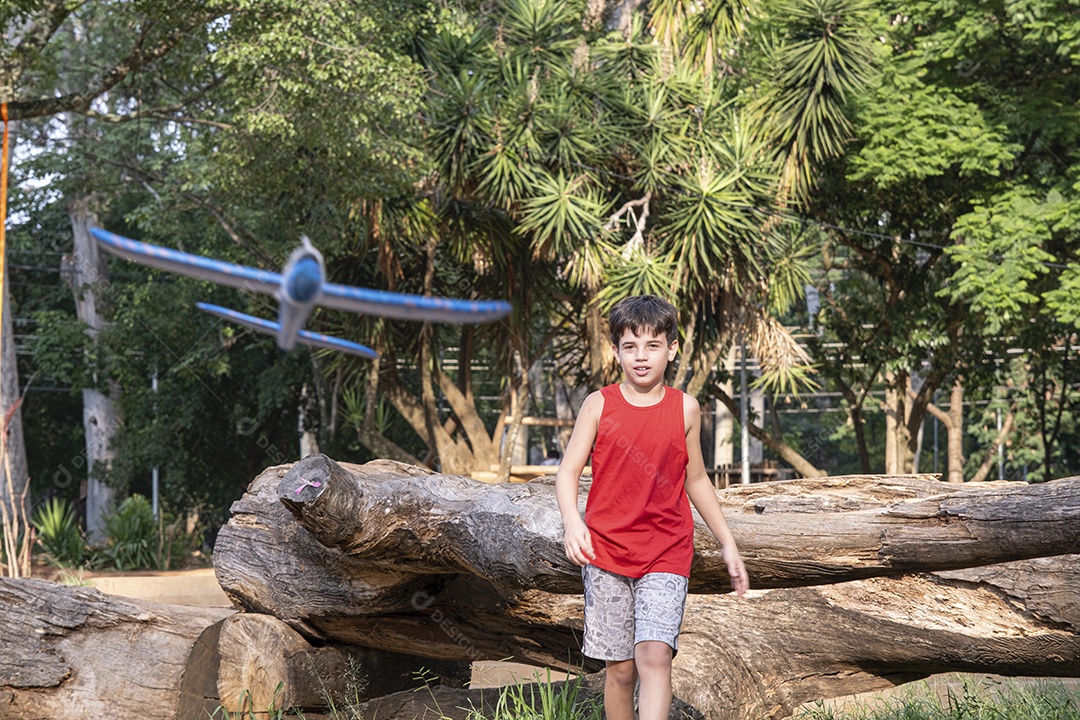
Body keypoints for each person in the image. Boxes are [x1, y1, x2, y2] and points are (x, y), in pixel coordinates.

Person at [555, 294, 749, 720]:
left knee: (655, 657)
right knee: (621, 671)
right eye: (630, 346)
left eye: (652, 345)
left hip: (666, 552)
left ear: (672, 348)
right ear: (615, 350)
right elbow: (567, 473)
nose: (641, 357)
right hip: (605, 554)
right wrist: (573, 523)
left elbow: (695, 478)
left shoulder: (686, 408)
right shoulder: (598, 404)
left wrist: (727, 542)